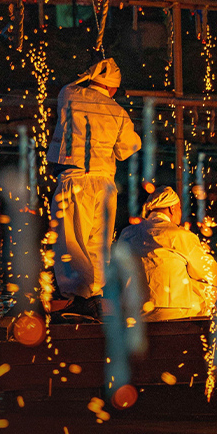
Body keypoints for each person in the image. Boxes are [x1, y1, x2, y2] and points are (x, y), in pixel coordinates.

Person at [47, 57, 141, 317]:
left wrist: (88, 75)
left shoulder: (70, 94)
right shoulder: (118, 112)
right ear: (113, 88)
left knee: (71, 241)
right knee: (97, 244)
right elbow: (128, 149)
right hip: (105, 184)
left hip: (74, 179)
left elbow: (72, 85)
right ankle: (97, 297)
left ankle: (81, 298)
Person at [117, 186, 217, 321]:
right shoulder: (180, 234)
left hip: (134, 311)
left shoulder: (127, 233)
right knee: (211, 286)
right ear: (172, 208)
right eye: (180, 208)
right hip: (177, 310)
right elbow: (210, 273)